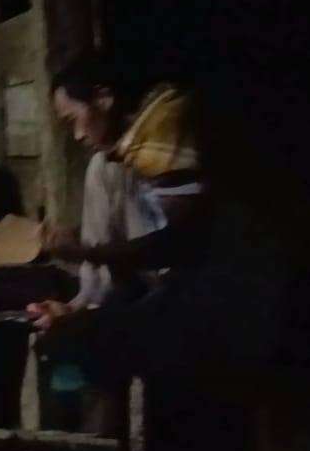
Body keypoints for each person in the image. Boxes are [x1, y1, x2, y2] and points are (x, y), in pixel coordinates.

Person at [26, 51, 210, 378]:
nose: (78, 135)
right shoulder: (116, 160)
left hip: (204, 295)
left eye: (73, 120)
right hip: (157, 291)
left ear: (104, 97)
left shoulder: (170, 129)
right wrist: (76, 307)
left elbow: (180, 243)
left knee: (84, 347)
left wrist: (84, 252)